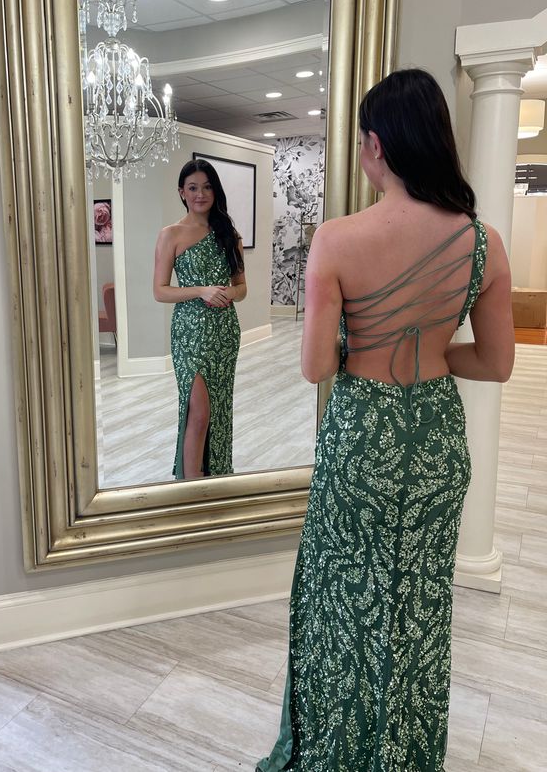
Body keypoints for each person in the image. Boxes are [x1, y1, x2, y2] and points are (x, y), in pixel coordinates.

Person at [257, 69, 515, 771]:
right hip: (433, 439)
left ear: (375, 144)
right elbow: (496, 363)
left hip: (362, 435)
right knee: (418, 611)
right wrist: (433, 348)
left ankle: (336, 752)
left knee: (343, 602)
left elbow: (315, 367)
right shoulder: (486, 242)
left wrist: (356, 341)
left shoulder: (337, 239)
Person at [153, 158, 247, 480]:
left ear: (215, 190)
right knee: (199, 410)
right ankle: (190, 488)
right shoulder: (171, 234)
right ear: (182, 192)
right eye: (192, 188)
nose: (200, 194)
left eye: (207, 187)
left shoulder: (229, 234)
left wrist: (226, 294)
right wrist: (201, 291)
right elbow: (160, 291)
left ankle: (214, 476)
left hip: (224, 331)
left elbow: (242, 288)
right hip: (189, 331)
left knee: (218, 409)